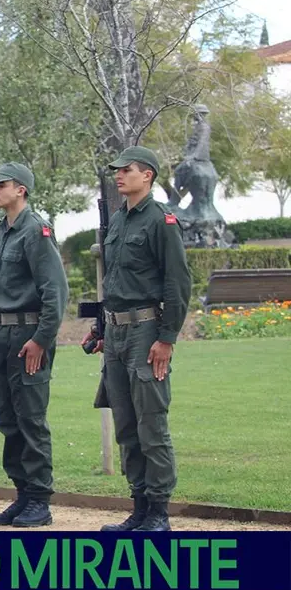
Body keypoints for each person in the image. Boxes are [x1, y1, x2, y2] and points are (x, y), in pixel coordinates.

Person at [85, 146, 191, 533]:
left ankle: (159, 512)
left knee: (151, 422)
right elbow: (113, 282)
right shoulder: (118, 220)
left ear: (147, 175)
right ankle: (140, 505)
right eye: (116, 171)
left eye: (125, 170)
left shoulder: (161, 221)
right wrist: (101, 328)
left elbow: (178, 284)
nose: (118, 176)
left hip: (147, 331)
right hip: (116, 332)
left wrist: (166, 338)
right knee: (126, 423)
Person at [0, 163, 68, 527]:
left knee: (31, 418)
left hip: (27, 336)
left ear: (21, 190)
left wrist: (41, 340)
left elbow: (55, 291)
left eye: (2, 185)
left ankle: (39, 499)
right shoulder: (3, 231)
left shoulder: (35, 230)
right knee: (9, 419)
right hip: (4, 338)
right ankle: (22, 493)